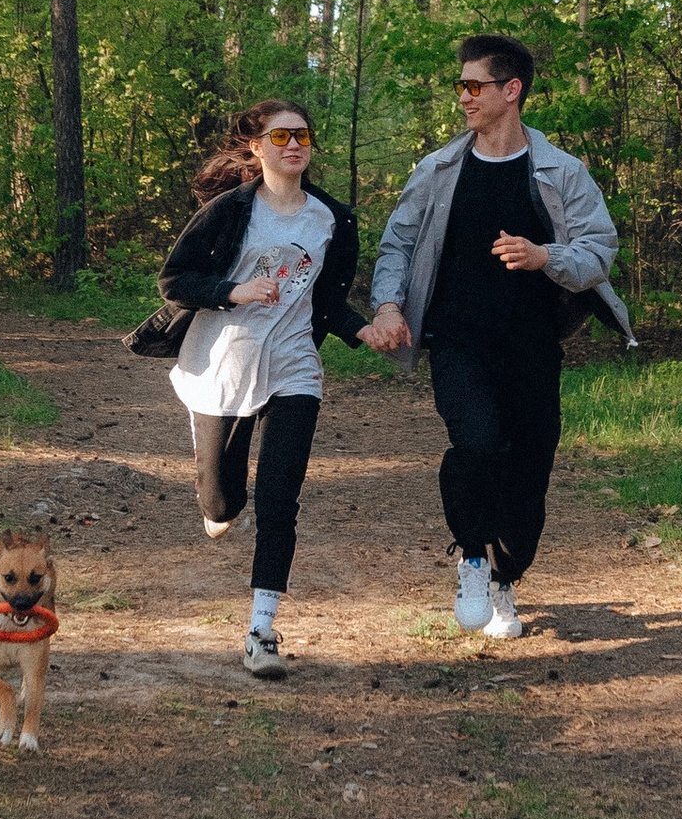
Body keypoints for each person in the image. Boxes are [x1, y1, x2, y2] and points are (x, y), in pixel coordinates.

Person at [359, 36, 623, 643]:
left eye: (474, 86)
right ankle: (473, 560)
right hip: (459, 342)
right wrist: (390, 302)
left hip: (532, 347)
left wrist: (543, 255)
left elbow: (598, 252)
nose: (464, 98)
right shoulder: (439, 169)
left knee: (529, 473)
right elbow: (397, 244)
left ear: (512, 91)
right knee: (476, 446)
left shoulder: (561, 171)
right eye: (461, 86)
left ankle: (506, 577)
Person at [153, 103, 368, 679]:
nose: (293, 144)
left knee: (280, 499)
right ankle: (218, 495)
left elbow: (325, 301)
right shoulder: (229, 212)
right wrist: (234, 291)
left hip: (293, 368)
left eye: (302, 135)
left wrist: (363, 329)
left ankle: (261, 630)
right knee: (222, 505)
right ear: (257, 147)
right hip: (222, 365)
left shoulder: (331, 219)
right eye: (281, 135)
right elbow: (175, 280)